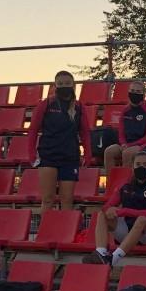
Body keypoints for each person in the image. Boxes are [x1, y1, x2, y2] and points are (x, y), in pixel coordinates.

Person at [84, 151, 146, 267]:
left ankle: (113, 259)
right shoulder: (125, 184)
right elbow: (107, 206)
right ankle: (101, 253)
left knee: (142, 220)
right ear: (132, 166)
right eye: (138, 164)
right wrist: (109, 210)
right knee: (102, 214)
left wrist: (122, 211)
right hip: (129, 229)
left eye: (145, 164)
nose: (141, 167)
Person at [27, 70, 92, 212]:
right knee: (48, 198)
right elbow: (32, 130)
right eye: (60, 83)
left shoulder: (79, 107)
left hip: (70, 157)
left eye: (68, 83)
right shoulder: (46, 104)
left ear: (74, 86)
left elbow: (85, 133)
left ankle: (66, 233)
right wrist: (31, 154)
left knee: (67, 199)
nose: (64, 86)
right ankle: (46, 232)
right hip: (48, 156)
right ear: (55, 86)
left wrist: (88, 153)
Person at [102, 81, 146, 169]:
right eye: (132, 91)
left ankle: (126, 181)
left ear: (143, 94)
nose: (134, 94)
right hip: (125, 144)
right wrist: (123, 144)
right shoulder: (125, 111)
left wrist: (130, 145)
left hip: (142, 144)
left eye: (138, 92)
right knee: (109, 151)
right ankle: (111, 181)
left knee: (127, 153)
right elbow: (121, 132)